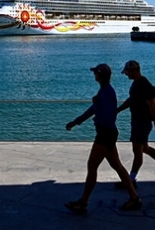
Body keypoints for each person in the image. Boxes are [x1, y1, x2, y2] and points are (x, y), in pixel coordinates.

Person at [64, 63, 142, 214]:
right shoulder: (104, 91)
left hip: (105, 134)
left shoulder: (108, 93)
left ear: (101, 75)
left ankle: (83, 203)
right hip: (108, 133)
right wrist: (76, 121)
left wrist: (96, 104)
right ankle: (134, 197)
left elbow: (108, 115)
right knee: (118, 167)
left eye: (96, 73)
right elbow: (93, 110)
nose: (94, 75)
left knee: (92, 167)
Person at [117, 60, 155, 189]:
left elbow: (152, 107)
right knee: (144, 148)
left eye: (127, 72)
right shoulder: (136, 84)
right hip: (138, 121)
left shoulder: (144, 85)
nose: (126, 74)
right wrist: (118, 110)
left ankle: (131, 180)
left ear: (134, 71)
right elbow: (131, 100)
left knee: (137, 151)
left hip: (142, 122)